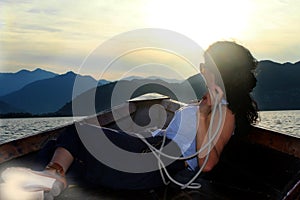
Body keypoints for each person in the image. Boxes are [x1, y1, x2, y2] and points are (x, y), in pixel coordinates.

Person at [1, 41, 259, 198]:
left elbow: (208, 164)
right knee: (60, 148)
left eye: (205, 66)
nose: (201, 70)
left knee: (80, 134)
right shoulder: (208, 100)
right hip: (152, 149)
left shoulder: (225, 111)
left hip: (164, 164)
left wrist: (202, 116)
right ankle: (46, 181)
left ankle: (47, 177)